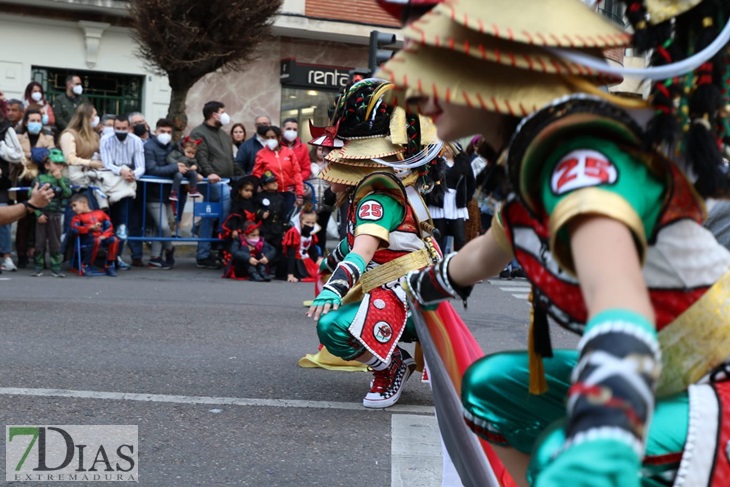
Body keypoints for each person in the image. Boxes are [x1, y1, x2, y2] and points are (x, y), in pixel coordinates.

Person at [386, 1, 730, 485]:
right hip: (661, 378)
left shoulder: (579, 161)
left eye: (430, 62)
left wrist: (604, 432)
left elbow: (619, 300)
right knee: (489, 391)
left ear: (499, 64)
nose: (409, 92)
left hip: (716, 382)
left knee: (559, 457)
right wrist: (421, 286)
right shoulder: (531, 165)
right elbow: (483, 254)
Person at [307, 78, 442, 409]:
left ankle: (390, 365)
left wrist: (334, 288)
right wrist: (325, 264)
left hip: (408, 297)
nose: (327, 166)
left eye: (335, 158)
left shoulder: (377, 201)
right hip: (400, 288)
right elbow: (361, 244)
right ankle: (392, 359)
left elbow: (362, 251)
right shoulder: (372, 194)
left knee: (331, 326)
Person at [189, 100, 243, 269]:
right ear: (214, 114)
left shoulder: (224, 135)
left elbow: (230, 160)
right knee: (226, 195)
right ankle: (222, 232)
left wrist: (245, 176)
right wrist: (209, 173)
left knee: (209, 215)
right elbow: (201, 157)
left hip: (226, 180)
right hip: (210, 181)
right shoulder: (198, 133)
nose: (225, 114)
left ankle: (204, 253)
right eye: (222, 111)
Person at [100, 114, 145, 268]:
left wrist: (133, 174)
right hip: (109, 183)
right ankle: (105, 256)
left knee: (122, 224)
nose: (120, 131)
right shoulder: (106, 139)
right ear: (113, 128)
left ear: (129, 128)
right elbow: (107, 163)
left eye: (124, 128)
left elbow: (141, 165)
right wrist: (121, 171)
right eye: (118, 128)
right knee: (107, 222)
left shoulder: (136, 141)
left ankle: (116, 256)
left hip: (127, 185)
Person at [16, 109, 55, 268]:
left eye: (38, 120)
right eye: (32, 120)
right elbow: (16, 156)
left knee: (41, 220)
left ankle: (38, 254)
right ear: (26, 122)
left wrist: (32, 155)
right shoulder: (18, 137)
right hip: (24, 181)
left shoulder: (48, 137)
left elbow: (50, 156)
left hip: (42, 181)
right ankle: (21, 254)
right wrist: (38, 154)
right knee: (23, 218)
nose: (36, 123)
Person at [425, 142, 475, 253]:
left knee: (460, 238)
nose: (446, 148)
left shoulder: (463, 163)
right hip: (439, 202)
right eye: (444, 145)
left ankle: (461, 264)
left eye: (449, 146)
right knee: (438, 237)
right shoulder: (436, 163)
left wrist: (465, 199)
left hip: (456, 204)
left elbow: (471, 183)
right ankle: (438, 263)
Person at [29, 148, 72, 278]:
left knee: (55, 242)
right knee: (39, 242)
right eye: (56, 163)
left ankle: (56, 267)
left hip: (55, 214)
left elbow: (67, 194)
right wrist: (38, 214)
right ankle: (38, 266)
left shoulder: (64, 180)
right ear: (47, 165)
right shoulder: (40, 178)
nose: (59, 166)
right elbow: (31, 197)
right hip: (42, 213)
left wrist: (59, 180)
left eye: (61, 164)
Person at [142, 118, 177, 269]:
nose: (166, 135)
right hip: (153, 193)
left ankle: (155, 258)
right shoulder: (149, 147)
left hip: (170, 194)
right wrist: (175, 168)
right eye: (163, 131)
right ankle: (169, 249)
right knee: (163, 226)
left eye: (169, 132)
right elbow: (152, 169)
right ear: (156, 131)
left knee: (163, 226)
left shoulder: (174, 147)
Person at [251, 125, 304, 219]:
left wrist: (300, 194)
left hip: (289, 193)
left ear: (279, 138)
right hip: (272, 194)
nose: (270, 140)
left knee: (288, 219)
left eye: (273, 137)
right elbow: (256, 174)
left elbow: (297, 173)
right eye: (267, 138)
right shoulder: (261, 154)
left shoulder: (289, 153)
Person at [69, 192, 118, 277]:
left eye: (74, 205)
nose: (73, 209)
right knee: (96, 240)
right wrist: (88, 228)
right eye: (72, 207)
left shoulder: (100, 213)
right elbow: (74, 229)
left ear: (83, 203)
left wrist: (104, 236)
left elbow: (109, 227)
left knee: (114, 240)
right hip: (86, 239)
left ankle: (109, 265)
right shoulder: (77, 218)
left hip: (101, 238)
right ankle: (86, 265)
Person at [0, 102, 24, 271]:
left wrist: (1, 148)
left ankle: (6, 256)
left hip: (1, 181)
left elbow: (17, 154)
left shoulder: (5, 129)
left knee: (4, 218)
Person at [254, 170, 287, 279]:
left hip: (277, 227)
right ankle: (264, 267)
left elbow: (283, 213)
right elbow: (255, 209)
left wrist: (284, 228)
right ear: (264, 186)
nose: (275, 183)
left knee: (278, 248)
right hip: (265, 227)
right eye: (271, 182)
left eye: (275, 181)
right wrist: (261, 213)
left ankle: (275, 269)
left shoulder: (280, 198)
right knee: (265, 248)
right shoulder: (260, 197)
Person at [308, 145, 336, 251]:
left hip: (325, 203)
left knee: (322, 229)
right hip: (310, 201)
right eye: (320, 149)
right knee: (310, 229)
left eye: (324, 150)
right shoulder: (309, 163)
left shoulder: (330, 164)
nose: (321, 152)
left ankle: (320, 252)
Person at [283, 207, 321, 283]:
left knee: (319, 275)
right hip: (294, 260)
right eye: (307, 222)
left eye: (313, 223)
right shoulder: (294, 232)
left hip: (305, 259)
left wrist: (318, 258)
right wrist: (290, 274)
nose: (310, 226)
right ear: (300, 221)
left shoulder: (311, 233)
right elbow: (291, 254)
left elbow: (312, 249)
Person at [166, 136, 203, 202]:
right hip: (177, 170)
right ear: (183, 149)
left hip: (187, 171)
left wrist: (195, 167)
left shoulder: (192, 158)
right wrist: (177, 164)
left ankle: (193, 189)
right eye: (188, 152)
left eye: (193, 153)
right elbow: (169, 158)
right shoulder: (176, 153)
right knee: (178, 176)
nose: (190, 155)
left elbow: (197, 164)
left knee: (193, 173)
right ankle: (174, 192)